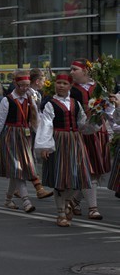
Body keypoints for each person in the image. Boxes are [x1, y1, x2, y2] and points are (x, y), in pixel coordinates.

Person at [35, 74, 93, 226]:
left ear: (70, 86)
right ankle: (61, 213)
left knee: (75, 176)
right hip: (59, 141)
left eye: (64, 83)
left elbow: (82, 124)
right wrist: (45, 146)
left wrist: (94, 119)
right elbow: (46, 125)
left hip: (75, 141)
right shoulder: (50, 104)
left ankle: (68, 203)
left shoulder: (76, 103)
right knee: (60, 178)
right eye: (58, 83)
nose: (60, 86)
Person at [0, 71, 41, 213]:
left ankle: (8, 200)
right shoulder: (7, 100)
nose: (24, 88)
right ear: (15, 83)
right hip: (11, 135)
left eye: (27, 86)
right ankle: (26, 201)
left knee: (17, 171)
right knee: (18, 168)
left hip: (25, 137)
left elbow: (36, 119)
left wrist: (42, 138)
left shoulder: (30, 99)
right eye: (22, 85)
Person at [68, 59, 108, 219]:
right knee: (88, 171)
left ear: (85, 71)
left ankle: (74, 201)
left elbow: (106, 110)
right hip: (81, 133)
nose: (71, 72)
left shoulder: (98, 88)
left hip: (98, 132)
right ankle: (93, 208)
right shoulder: (71, 90)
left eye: (74, 69)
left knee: (96, 172)